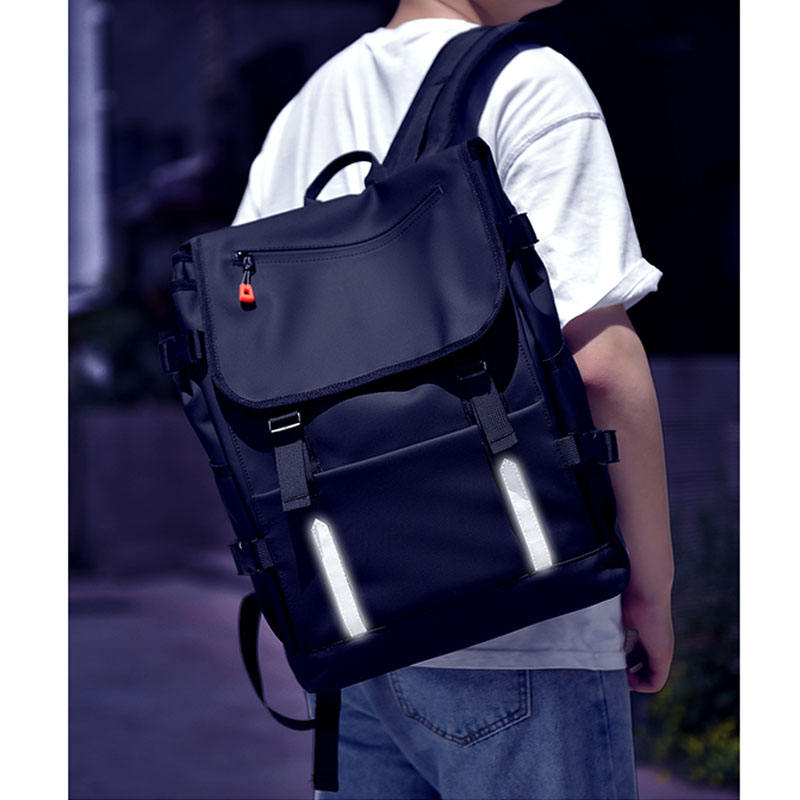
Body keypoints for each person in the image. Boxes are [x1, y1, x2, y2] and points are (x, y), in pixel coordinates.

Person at [233, 1, 675, 797]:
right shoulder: (528, 82)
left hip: (357, 635)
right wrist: (651, 589)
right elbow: (601, 366)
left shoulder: (303, 112)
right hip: (526, 624)